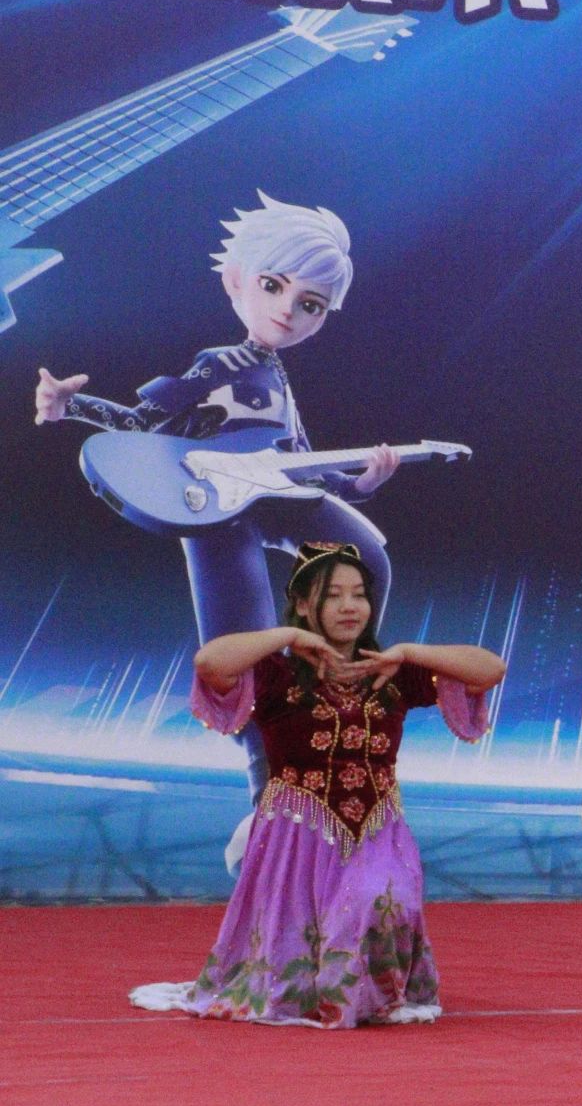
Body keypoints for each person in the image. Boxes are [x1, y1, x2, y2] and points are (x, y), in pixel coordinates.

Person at [34, 196, 401, 787]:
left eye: (310, 304)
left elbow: (303, 466)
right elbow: (143, 424)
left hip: (274, 494)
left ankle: (322, 690)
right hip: (213, 509)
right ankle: (268, 786)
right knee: (243, 650)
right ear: (236, 280)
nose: (288, 311)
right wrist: (71, 406)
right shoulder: (220, 362)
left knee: (365, 558)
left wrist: (362, 482)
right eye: (273, 286)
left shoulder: (277, 377)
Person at [129, 541, 501, 1027]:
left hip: (377, 828)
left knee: (379, 899)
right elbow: (210, 663)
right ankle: (325, 995)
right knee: (301, 944)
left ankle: (369, 996)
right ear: (304, 604)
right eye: (332, 595)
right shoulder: (277, 675)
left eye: (359, 594)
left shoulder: (391, 673)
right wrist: (287, 634)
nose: (350, 606)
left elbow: (490, 669)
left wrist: (409, 651)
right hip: (297, 833)